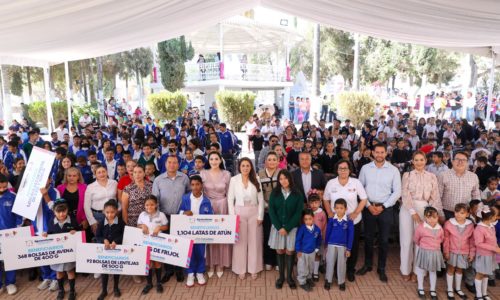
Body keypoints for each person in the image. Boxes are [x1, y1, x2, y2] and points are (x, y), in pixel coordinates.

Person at [357, 143, 401, 282]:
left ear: (386, 153)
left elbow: (397, 192)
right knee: (368, 239)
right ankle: (368, 264)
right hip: (369, 208)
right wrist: (369, 205)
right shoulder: (365, 168)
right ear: (373, 153)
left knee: (383, 240)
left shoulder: (393, 170)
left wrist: (383, 206)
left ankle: (381, 268)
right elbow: (360, 188)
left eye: (382, 152)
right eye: (377, 152)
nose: (380, 155)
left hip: (386, 209)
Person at [400, 151, 443, 282]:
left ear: (426, 161)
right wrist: (413, 213)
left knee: (421, 242)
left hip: (426, 209)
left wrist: (434, 214)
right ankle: (405, 269)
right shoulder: (407, 175)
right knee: (406, 240)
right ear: (412, 161)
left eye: (421, 160)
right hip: (408, 208)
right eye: (416, 160)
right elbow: (405, 195)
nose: (419, 162)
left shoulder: (432, 176)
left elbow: (435, 196)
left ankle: (418, 271)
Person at [323, 159, 367, 282]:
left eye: (345, 168)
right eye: (340, 168)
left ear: (349, 170)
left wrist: (355, 213)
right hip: (336, 222)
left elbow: (363, 199)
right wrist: (330, 213)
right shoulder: (331, 183)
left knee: (352, 245)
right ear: (337, 170)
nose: (343, 170)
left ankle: (350, 270)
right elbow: (326, 199)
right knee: (336, 245)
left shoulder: (356, 183)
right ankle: (338, 270)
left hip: (353, 221)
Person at [152, 155, 189, 282]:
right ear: (166, 164)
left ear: (178, 164)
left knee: (179, 243)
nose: (172, 165)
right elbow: (154, 199)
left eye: (175, 162)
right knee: (166, 244)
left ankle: (179, 270)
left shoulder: (184, 178)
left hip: (180, 217)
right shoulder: (158, 180)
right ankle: (168, 271)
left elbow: (189, 195)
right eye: (169, 162)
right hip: (164, 216)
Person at [227, 158, 264, 279]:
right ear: (239, 167)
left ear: (251, 167)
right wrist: (232, 217)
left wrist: (260, 215)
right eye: (243, 166)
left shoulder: (256, 178)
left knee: (254, 241)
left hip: (254, 211)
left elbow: (261, 199)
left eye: (248, 166)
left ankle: (254, 268)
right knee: (240, 241)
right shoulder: (234, 180)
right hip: (239, 212)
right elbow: (230, 199)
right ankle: (240, 268)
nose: (245, 168)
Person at [268, 169, 303, 289]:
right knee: (280, 251)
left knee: (290, 251)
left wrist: (287, 228)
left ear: (290, 179)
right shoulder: (275, 193)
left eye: (285, 178)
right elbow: (271, 211)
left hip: (291, 228)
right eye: (281, 179)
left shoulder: (297, 193)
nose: (283, 181)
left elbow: (298, 213)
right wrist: (279, 227)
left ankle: (289, 277)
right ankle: (281, 277)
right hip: (277, 228)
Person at [200, 152, 231, 278]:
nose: (214, 161)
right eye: (211, 159)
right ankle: (211, 263)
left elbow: (229, 193)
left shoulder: (227, 174)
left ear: (220, 160)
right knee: (209, 236)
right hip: (208, 207)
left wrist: (230, 211)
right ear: (208, 160)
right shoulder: (203, 173)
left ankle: (221, 263)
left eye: (216, 159)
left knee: (221, 235)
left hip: (223, 206)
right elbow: (200, 193)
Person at [178, 175, 214, 287]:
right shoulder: (185, 198)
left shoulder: (207, 201)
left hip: (202, 233)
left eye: (197, 184)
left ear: (201, 185)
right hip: (188, 232)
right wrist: (184, 213)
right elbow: (179, 212)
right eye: (192, 184)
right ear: (190, 185)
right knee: (190, 252)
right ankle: (190, 273)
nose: (195, 187)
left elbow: (211, 217)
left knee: (200, 253)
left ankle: (199, 272)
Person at [45, 199, 79, 300]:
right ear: (54, 212)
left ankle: (72, 291)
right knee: (59, 272)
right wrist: (45, 235)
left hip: (69, 254)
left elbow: (79, 232)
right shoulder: (51, 222)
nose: (61, 214)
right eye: (58, 212)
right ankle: (61, 290)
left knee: (70, 271)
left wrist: (75, 232)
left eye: (63, 211)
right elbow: (49, 233)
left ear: (67, 210)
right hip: (57, 254)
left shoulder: (72, 220)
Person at [443, 203, 475, 300]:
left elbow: (472, 240)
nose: (458, 214)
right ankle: (449, 289)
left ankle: (458, 288)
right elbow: (446, 239)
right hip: (452, 251)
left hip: (464, 252)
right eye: (456, 212)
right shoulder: (449, 223)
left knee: (460, 269)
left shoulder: (470, 225)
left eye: (461, 213)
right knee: (451, 269)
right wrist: (446, 251)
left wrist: (471, 253)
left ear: (467, 214)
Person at [137, 195, 168, 294]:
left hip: (158, 243)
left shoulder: (161, 215)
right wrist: (142, 225)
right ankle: (149, 283)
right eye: (147, 205)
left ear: (156, 205)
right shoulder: (142, 215)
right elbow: (138, 225)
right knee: (148, 263)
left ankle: (159, 283)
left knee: (157, 263)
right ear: (144, 206)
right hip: (145, 243)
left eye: (151, 205)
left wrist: (159, 227)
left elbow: (166, 226)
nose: (149, 207)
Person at [95, 199, 125, 300]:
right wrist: (104, 240)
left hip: (117, 250)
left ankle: (116, 288)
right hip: (105, 251)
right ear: (103, 211)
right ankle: (104, 290)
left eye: (112, 212)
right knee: (105, 270)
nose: (110, 214)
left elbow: (124, 235)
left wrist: (116, 241)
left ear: (116, 211)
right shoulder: (100, 223)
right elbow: (97, 236)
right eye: (107, 212)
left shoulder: (121, 222)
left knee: (116, 269)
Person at [413, 207, 446, 299]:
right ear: (425, 218)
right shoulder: (421, 227)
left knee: (433, 271)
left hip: (435, 253)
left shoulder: (440, 229)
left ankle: (432, 289)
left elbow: (442, 239)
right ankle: (420, 288)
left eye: (434, 218)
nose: (432, 220)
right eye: (429, 217)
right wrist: (424, 246)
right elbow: (416, 239)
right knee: (421, 270)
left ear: (437, 218)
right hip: (424, 251)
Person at [438, 151, 480, 220]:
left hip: (466, 214)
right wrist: (440, 214)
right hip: (447, 213)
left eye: (463, 160)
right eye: (457, 159)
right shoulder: (443, 175)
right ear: (452, 161)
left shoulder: (473, 176)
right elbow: (438, 197)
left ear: (467, 162)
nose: (460, 162)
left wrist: (476, 212)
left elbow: (476, 196)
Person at [324, 198, 354, 291]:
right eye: (337, 208)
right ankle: (328, 280)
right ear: (334, 209)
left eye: (341, 208)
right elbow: (328, 232)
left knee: (342, 264)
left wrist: (349, 248)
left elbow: (351, 235)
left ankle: (341, 282)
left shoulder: (349, 221)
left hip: (343, 246)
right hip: (331, 244)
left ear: (345, 209)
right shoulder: (332, 219)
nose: (339, 210)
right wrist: (326, 244)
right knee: (330, 262)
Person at [258, 151, 280, 270]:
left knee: (278, 235)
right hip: (266, 210)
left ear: (278, 161)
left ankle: (277, 260)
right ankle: (268, 260)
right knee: (266, 235)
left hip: (279, 211)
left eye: (274, 159)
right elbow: (258, 193)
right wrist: (266, 205)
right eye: (269, 159)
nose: (271, 162)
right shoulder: (260, 174)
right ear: (265, 161)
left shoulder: (282, 173)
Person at [0, 174, 21, 295]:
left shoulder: (12, 196)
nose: (3, 190)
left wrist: (17, 229)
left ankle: (10, 283)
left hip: (10, 234)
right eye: (0, 188)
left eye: (4, 187)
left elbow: (19, 216)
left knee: (10, 259)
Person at [472, 207, 500, 300]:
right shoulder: (479, 228)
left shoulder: (491, 226)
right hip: (483, 255)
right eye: (495, 216)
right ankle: (478, 295)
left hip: (491, 255)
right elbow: (478, 243)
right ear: (490, 217)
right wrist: (494, 248)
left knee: (486, 273)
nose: (496, 217)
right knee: (480, 274)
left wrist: (497, 248)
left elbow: (494, 239)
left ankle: (484, 294)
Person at [83, 165, 118, 238]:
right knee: (100, 239)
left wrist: (119, 211)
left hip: (113, 215)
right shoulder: (90, 187)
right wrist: (92, 222)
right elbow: (86, 206)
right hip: (98, 216)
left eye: (103, 171)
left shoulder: (114, 183)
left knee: (114, 238)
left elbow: (119, 198)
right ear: (95, 174)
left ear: (107, 172)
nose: (101, 174)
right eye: (99, 172)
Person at [295, 209, 322, 292]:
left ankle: (309, 278)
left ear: (313, 218)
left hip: (312, 252)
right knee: (302, 267)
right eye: (305, 219)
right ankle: (302, 282)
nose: (308, 221)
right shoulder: (302, 229)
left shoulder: (317, 229)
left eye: (309, 219)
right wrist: (298, 250)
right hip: (303, 252)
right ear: (303, 220)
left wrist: (317, 247)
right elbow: (298, 240)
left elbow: (319, 239)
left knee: (311, 266)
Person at [56, 167, 88, 232]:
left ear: (78, 177)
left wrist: (85, 219)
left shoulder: (84, 187)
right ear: (66, 177)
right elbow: (57, 205)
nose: (71, 178)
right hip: (64, 218)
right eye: (69, 176)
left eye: (74, 176)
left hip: (80, 219)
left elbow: (87, 205)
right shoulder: (60, 188)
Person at [308, 193, 326, 281]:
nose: (313, 205)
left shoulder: (322, 213)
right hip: (309, 239)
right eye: (311, 203)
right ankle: (309, 272)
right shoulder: (307, 212)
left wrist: (323, 237)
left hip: (318, 239)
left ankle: (315, 272)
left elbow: (324, 226)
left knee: (317, 255)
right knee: (309, 255)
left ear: (319, 203)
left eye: (316, 203)